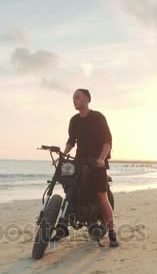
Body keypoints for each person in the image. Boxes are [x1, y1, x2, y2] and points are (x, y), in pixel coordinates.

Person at [51, 88, 119, 247]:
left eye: (77, 97)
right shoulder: (74, 120)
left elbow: (107, 141)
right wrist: (62, 155)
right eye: (73, 98)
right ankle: (62, 227)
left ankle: (112, 232)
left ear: (87, 99)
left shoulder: (98, 117)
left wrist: (101, 159)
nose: (74, 100)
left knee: (102, 196)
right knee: (70, 189)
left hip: (96, 163)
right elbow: (71, 141)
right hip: (80, 162)